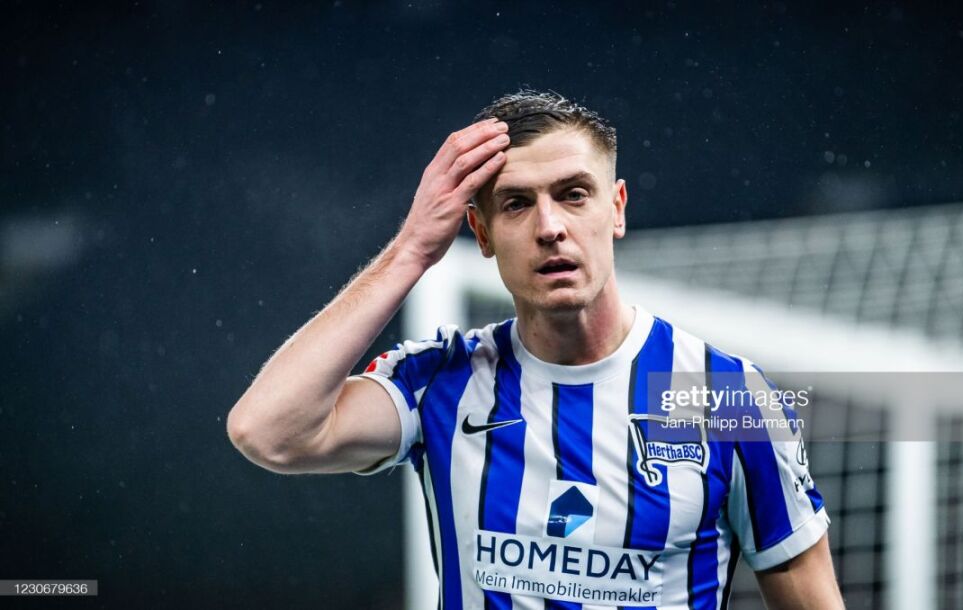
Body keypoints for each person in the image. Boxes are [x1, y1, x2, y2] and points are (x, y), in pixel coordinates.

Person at [227, 89, 844, 609]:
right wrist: (411, 250)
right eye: (517, 204)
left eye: (573, 194)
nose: (550, 227)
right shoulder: (440, 382)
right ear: (482, 233)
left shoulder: (729, 398)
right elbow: (268, 432)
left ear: (616, 209)